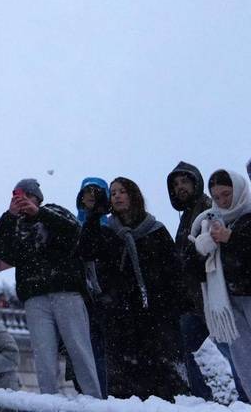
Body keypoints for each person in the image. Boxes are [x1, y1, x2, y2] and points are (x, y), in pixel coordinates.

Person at [0, 178, 101, 397]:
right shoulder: (15, 225)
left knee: (79, 348)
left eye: (27, 196)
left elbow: (74, 232)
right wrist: (10, 216)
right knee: (43, 355)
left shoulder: (54, 212)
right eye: (17, 197)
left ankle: (94, 400)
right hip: (34, 296)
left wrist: (39, 213)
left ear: (38, 198)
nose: (23, 202)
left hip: (65, 290)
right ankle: (48, 401)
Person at [77, 176, 187, 400]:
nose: (117, 196)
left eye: (122, 191)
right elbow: (86, 250)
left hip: (155, 313)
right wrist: (94, 214)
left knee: (161, 378)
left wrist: (176, 305)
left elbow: (174, 271)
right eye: (113, 192)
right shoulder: (107, 231)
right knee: (126, 382)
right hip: (121, 314)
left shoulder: (155, 230)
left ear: (133, 195)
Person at [168, 162, 243, 400]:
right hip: (195, 301)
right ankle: (202, 399)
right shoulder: (187, 216)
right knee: (181, 345)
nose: (180, 188)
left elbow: (204, 252)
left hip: (213, 297)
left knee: (235, 352)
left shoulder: (206, 208)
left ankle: (242, 400)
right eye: (176, 184)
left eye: (185, 182)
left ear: (196, 182)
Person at [187, 167, 251, 392]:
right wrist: (202, 249)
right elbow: (194, 269)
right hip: (228, 300)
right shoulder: (209, 221)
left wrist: (231, 239)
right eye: (216, 197)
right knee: (244, 362)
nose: (222, 201)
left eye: (227, 194)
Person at [75, 177, 111, 396]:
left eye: (96, 191)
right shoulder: (72, 225)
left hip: (105, 297)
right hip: (80, 297)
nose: (91, 195)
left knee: (101, 351)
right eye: (87, 191)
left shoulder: (111, 226)